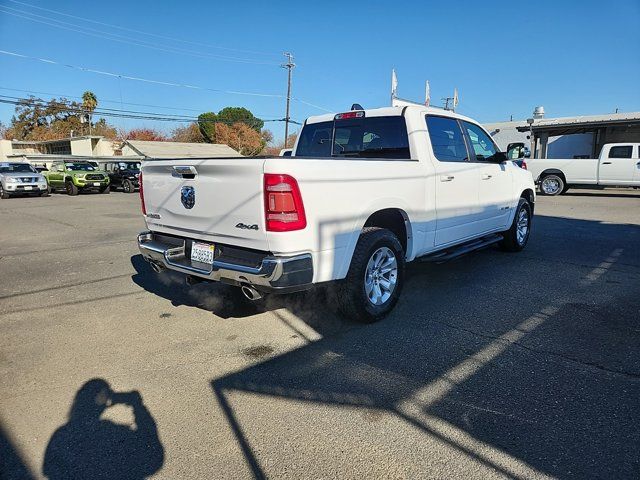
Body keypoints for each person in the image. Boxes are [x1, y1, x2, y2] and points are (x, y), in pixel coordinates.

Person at [43, 379, 164, 479]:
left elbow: (49, 470)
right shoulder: (113, 434)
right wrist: (138, 406)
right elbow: (153, 455)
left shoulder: (62, 435)